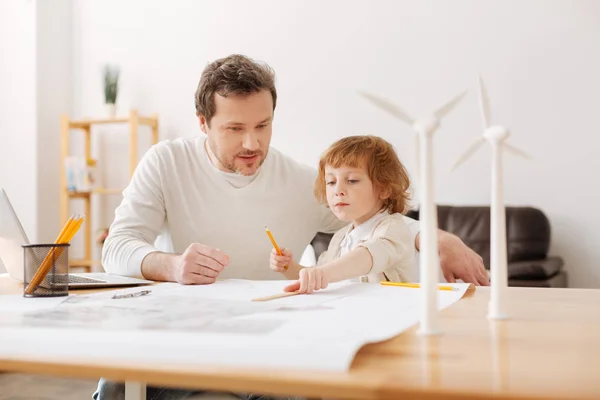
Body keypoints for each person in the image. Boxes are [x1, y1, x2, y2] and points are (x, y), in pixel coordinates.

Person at [95, 54, 489, 400]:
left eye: (263, 125)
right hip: (188, 334)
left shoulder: (301, 182)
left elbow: (379, 219)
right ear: (203, 123)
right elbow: (117, 248)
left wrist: (441, 238)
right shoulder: (166, 163)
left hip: (272, 341)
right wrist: (172, 266)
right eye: (235, 129)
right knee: (115, 385)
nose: (252, 143)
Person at [270, 135, 416, 293]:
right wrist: (289, 267)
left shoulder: (392, 229)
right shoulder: (340, 238)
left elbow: (367, 256)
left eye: (352, 180)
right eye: (331, 182)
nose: (338, 190)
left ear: (384, 188)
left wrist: (324, 273)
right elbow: (317, 277)